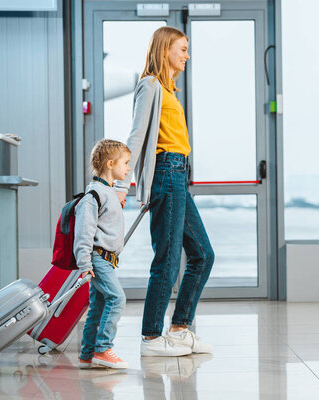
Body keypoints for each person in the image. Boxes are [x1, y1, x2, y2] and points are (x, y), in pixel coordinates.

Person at [124, 26, 214, 357]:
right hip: (165, 173)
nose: (187, 56)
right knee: (168, 258)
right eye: (182, 49)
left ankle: (178, 329)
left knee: (203, 254)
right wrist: (122, 185)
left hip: (179, 174)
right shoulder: (150, 86)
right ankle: (151, 337)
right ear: (165, 52)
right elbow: (135, 137)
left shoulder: (169, 89)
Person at [74, 139, 131, 369]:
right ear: (110, 164)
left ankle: (87, 354)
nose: (128, 169)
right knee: (117, 299)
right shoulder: (93, 196)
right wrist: (84, 263)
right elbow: (84, 233)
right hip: (98, 259)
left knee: (97, 307)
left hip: (106, 259)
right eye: (125, 163)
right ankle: (103, 349)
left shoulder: (106, 192)